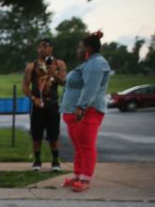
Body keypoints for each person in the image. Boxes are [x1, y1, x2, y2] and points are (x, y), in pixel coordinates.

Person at [61, 31, 111, 193]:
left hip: (88, 111)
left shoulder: (96, 64)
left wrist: (81, 107)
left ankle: (85, 179)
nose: (78, 50)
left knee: (86, 146)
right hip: (75, 112)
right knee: (79, 147)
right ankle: (77, 175)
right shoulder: (88, 63)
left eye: (80, 47)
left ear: (88, 49)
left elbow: (91, 88)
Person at [22, 38, 67, 171]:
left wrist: (54, 72)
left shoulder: (59, 64)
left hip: (52, 103)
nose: (42, 49)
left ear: (51, 48)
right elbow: (24, 87)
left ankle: (55, 162)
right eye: (40, 47)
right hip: (37, 104)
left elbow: (64, 82)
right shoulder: (32, 66)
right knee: (36, 134)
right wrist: (33, 98)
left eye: (45, 46)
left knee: (54, 134)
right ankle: (37, 161)